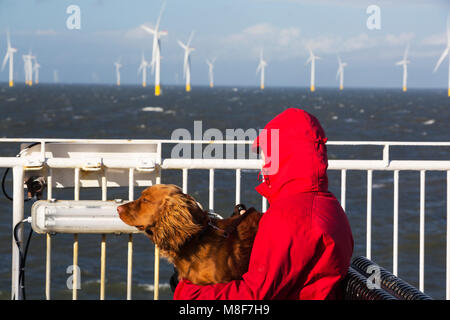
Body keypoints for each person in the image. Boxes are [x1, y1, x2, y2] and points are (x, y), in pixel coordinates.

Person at [173, 108, 354, 300]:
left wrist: (189, 292)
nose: (264, 166)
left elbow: (254, 296)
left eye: (268, 156)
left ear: (286, 155)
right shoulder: (329, 207)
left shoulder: (289, 217)